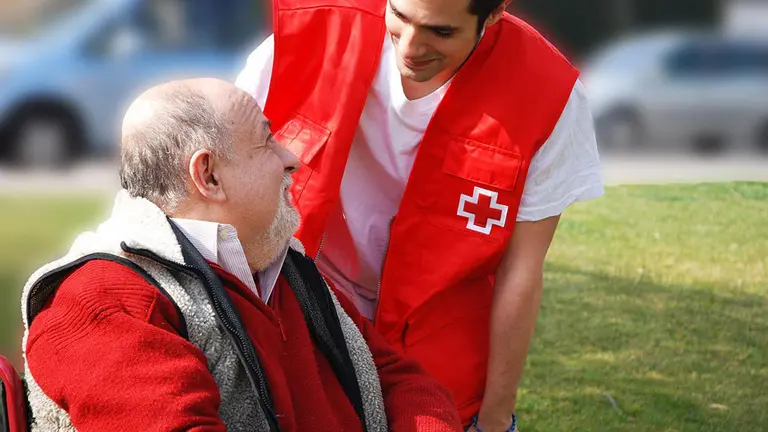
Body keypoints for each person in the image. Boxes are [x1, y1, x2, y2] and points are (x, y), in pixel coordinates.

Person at [235, 0, 605, 430]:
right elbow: (224, 176)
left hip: (441, 357)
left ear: (494, 12)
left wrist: (495, 419)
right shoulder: (310, 31)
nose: (410, 48)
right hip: (307, 319)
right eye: (399, 16)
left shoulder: (547, 91)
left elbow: (521, 271)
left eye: (440, 32)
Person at [20, 78, 462, 432]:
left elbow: (398, 379)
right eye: (266, 141)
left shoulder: (277, 263)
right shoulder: (104, 301)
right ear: (208, 176)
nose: (291, 158)